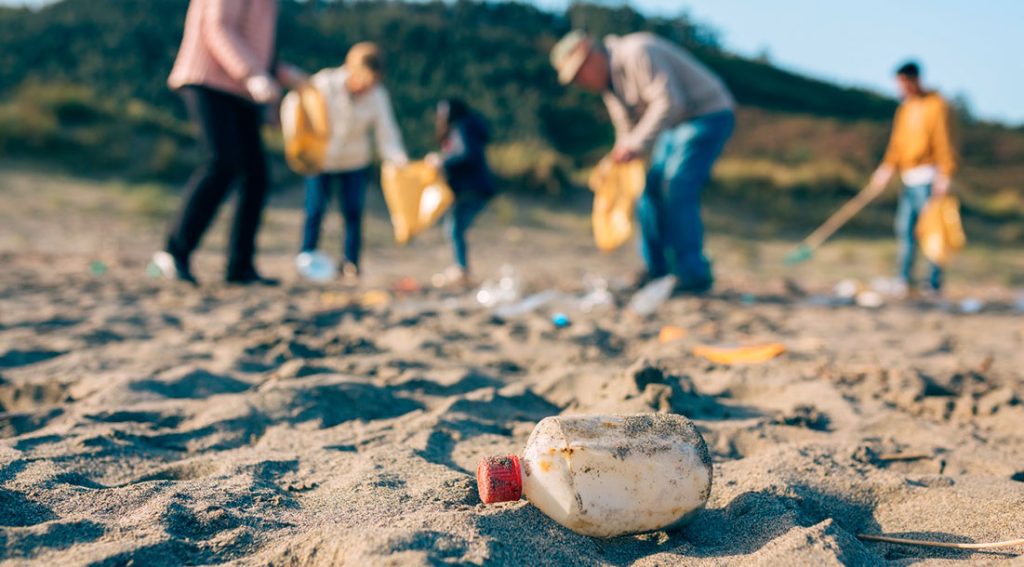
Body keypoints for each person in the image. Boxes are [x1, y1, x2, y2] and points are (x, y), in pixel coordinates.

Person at [550, 30, 735, 294]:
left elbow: (668, 102)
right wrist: (618, 157)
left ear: (591, 55)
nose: (581, 81)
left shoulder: (638, 51)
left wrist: (635, 145)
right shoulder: (609, 84)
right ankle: (656, 269)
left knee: (676, 185)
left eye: (579, 73)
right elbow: (625, 128)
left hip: (708, 114)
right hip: (675, 125)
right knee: (648, 193)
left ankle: (693, 273)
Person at [153, 0, 305, 286]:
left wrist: (282, 75)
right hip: (208, 79)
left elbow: (259, 47)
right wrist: (253, 76)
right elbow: (218, 28)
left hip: (241, 91)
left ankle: (240, 267)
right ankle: (174, 252)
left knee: (256, 176)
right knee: (221, 162)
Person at [297, 42, 408, 282]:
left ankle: (350, 263)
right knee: (315, 209)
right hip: (321, 161)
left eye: (371, 83)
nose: (365, 87)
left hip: (355, 161)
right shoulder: (323, 84)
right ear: (350, 69)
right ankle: (306, 259)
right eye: (362, 81)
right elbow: (298, 113)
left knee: (353, 213)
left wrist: (398, 160)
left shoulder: (378, 95)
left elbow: (387, 133)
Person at [867, 61, 958, 295]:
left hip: (929, 176)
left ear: (915, 79)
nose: (901, 88)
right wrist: (886, 168)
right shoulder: (904, 109)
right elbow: (897, 145)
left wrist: (945, 173)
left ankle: (933, 282)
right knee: (905, 229)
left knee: (932, 231)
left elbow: (943, 141)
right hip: (907, 178)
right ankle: (904, 279)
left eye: (904, 83)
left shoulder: (936, 105)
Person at [427, 98, 497, 286]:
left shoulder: (462, 128)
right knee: (455, 228)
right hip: (475, 187)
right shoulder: (467, 127)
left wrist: (442, 161)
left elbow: (466, 154)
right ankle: (461, 268)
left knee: (454, 228)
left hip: (470, 188)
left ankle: (462, 269)